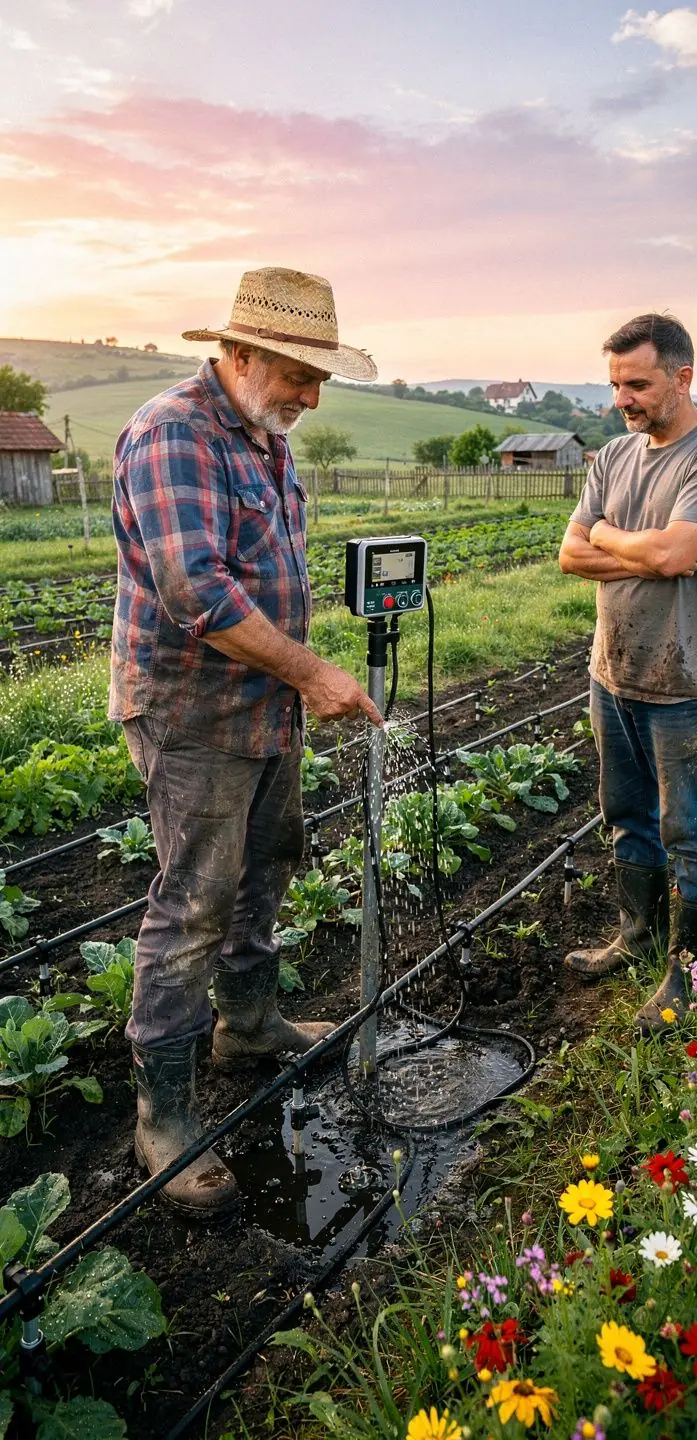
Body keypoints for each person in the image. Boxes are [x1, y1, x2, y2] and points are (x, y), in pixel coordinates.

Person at [110, 267, 382, 1216]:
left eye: (321, 379)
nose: (313, 397)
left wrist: (298, 677)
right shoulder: (173, 433)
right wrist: (311, 671)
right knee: (193, 902)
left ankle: (251, 1022)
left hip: (265, 706)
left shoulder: (265, 441)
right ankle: (166, 1117)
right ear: (240, 353)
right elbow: (198, 594)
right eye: (301, 375)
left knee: (266, 863)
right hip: (194, 713)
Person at [558, 313, 697, 1036]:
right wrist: (635, 548)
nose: (624, 398)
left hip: (686, 681)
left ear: (682, 378)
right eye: (615, 384)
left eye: (637, 383)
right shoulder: (614, 456)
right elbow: (569, 555)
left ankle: (689, 973)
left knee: (691, 830)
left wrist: (609, 535)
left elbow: (676, 558)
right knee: (626, 817)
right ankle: (637, 935)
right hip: (612, 672)